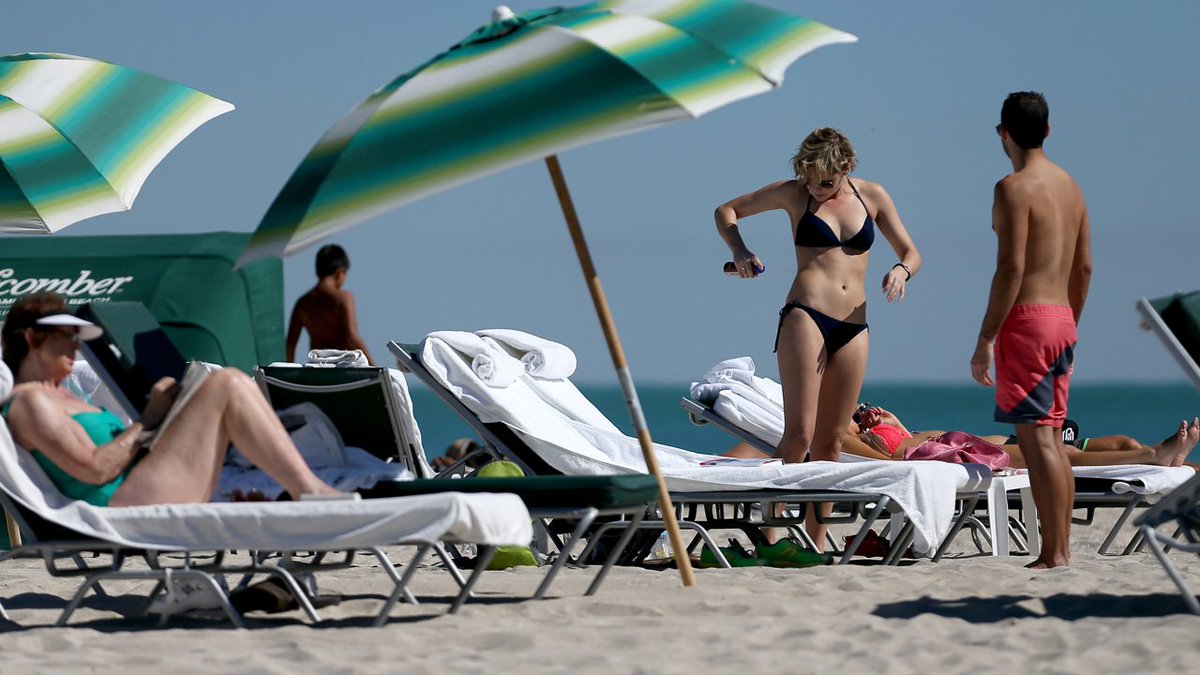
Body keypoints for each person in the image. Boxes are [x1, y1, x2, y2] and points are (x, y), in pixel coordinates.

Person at [714, 127, 920, 547]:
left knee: (831, 442)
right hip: (806, 315)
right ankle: (770, 538)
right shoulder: (794, 193)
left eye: (824, 182)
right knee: (798, 436)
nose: (815, 189)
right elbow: (726, 210)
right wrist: (739, 250)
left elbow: (911, 253)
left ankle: (816, 540)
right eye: (809, 180)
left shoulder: (872, 195)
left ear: (847, 167)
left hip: (854, 325)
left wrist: (902, 271)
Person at [1, 292, 342, 507]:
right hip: (124, 501)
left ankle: (307, 487)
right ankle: (308, 490)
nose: (76, 345)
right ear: (32, 339)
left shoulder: (57, 397)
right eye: (66, 336)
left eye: (78, 336)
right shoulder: (30, 402)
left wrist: (166, 416)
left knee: (230, 384)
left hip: (141, 484)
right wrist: (148, 420)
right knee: (226, 384)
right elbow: (94, 468)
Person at [969, 92, 1092, 568]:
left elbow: (1011, 269)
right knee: (1053, 438)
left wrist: (986, 337)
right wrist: (1070, 323)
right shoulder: (1071, 186)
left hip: (1028, 321)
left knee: (1037, 442)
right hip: (1062, 318)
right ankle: (1060, 548)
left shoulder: (1013, 188)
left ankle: (1054, 552)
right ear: (1047, 130)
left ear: (1003, 133)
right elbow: (1084, 267)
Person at [286, 244, 374, 365]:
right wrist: (374, 367)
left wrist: (290, 371)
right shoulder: (343, 298)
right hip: (344, 368)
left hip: (318, 367)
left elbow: (290, 345)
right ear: (339, 272)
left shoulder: (302, 303)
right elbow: (352, 336)